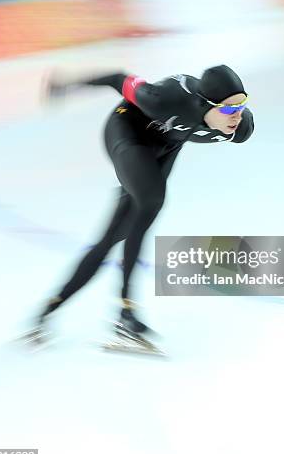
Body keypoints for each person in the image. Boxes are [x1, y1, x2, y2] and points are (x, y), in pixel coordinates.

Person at [37, 64, 254, 334]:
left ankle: (48, 309)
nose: (237, 115)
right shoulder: (163, 97)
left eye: (242, 106)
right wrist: (67, 84)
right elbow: (117, 78)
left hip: (164, 148)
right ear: (204, 104)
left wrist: (233, 113)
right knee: (152, 199)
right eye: (229, 109)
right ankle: (126, 311)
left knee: (115, 235)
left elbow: (230, 119)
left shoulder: (238, 128)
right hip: (127, 132)